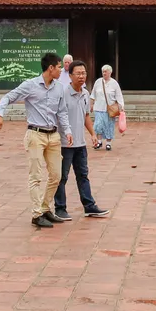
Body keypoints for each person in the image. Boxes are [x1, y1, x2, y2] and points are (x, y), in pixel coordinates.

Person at [0, 52, 73, 229]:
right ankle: (37, 214)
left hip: (53, 136)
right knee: (36, 176)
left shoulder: (59, 87)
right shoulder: (30, 85)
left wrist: (67, 130)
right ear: (50, 68)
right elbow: (8, 97)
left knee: (56, 175)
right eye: (59, 66)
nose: (61, 70)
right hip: (35, 135)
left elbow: (62, 112)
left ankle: (45, 208)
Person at [53, 60, 110, 221]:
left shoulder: (85, 93)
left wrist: (92, 134)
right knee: (61, 177)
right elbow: (59, 116)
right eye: (78, 73)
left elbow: (86, 116)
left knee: (83, 175)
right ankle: (60, 208)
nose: (81, 76)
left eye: (84, 73)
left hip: (80, 143)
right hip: (65, 143)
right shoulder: (63, 93)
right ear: (70, 75)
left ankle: (89, 206)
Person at [90, 64, 124, 150]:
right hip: (98, 108)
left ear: (110, 72)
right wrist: (91, 104)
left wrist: (121, 106)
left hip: (109, 109)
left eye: (106, 71)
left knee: (109, 126)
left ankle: (108, 143)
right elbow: (93, 94)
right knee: (98, 125)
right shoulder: (98, 82)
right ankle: (99, 141)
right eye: (103, 72)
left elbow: (119, 95)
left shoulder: (114, 83)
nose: (104, 73)